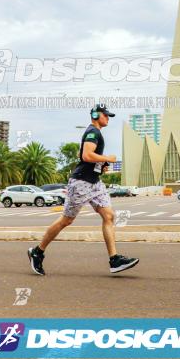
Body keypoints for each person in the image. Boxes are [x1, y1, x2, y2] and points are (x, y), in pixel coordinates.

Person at [28, 104, 139, 275]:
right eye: (106, 115)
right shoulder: (93, 132)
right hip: (81, 183)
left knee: (108, 216)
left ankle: (114, 260)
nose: (108, 118)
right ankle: (37, 251)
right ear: (96, 115)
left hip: (94, 183)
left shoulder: (97, 132)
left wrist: (101, 165)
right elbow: (86, 155)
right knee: (66, 220)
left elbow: (91, 159)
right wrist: (107, 158)